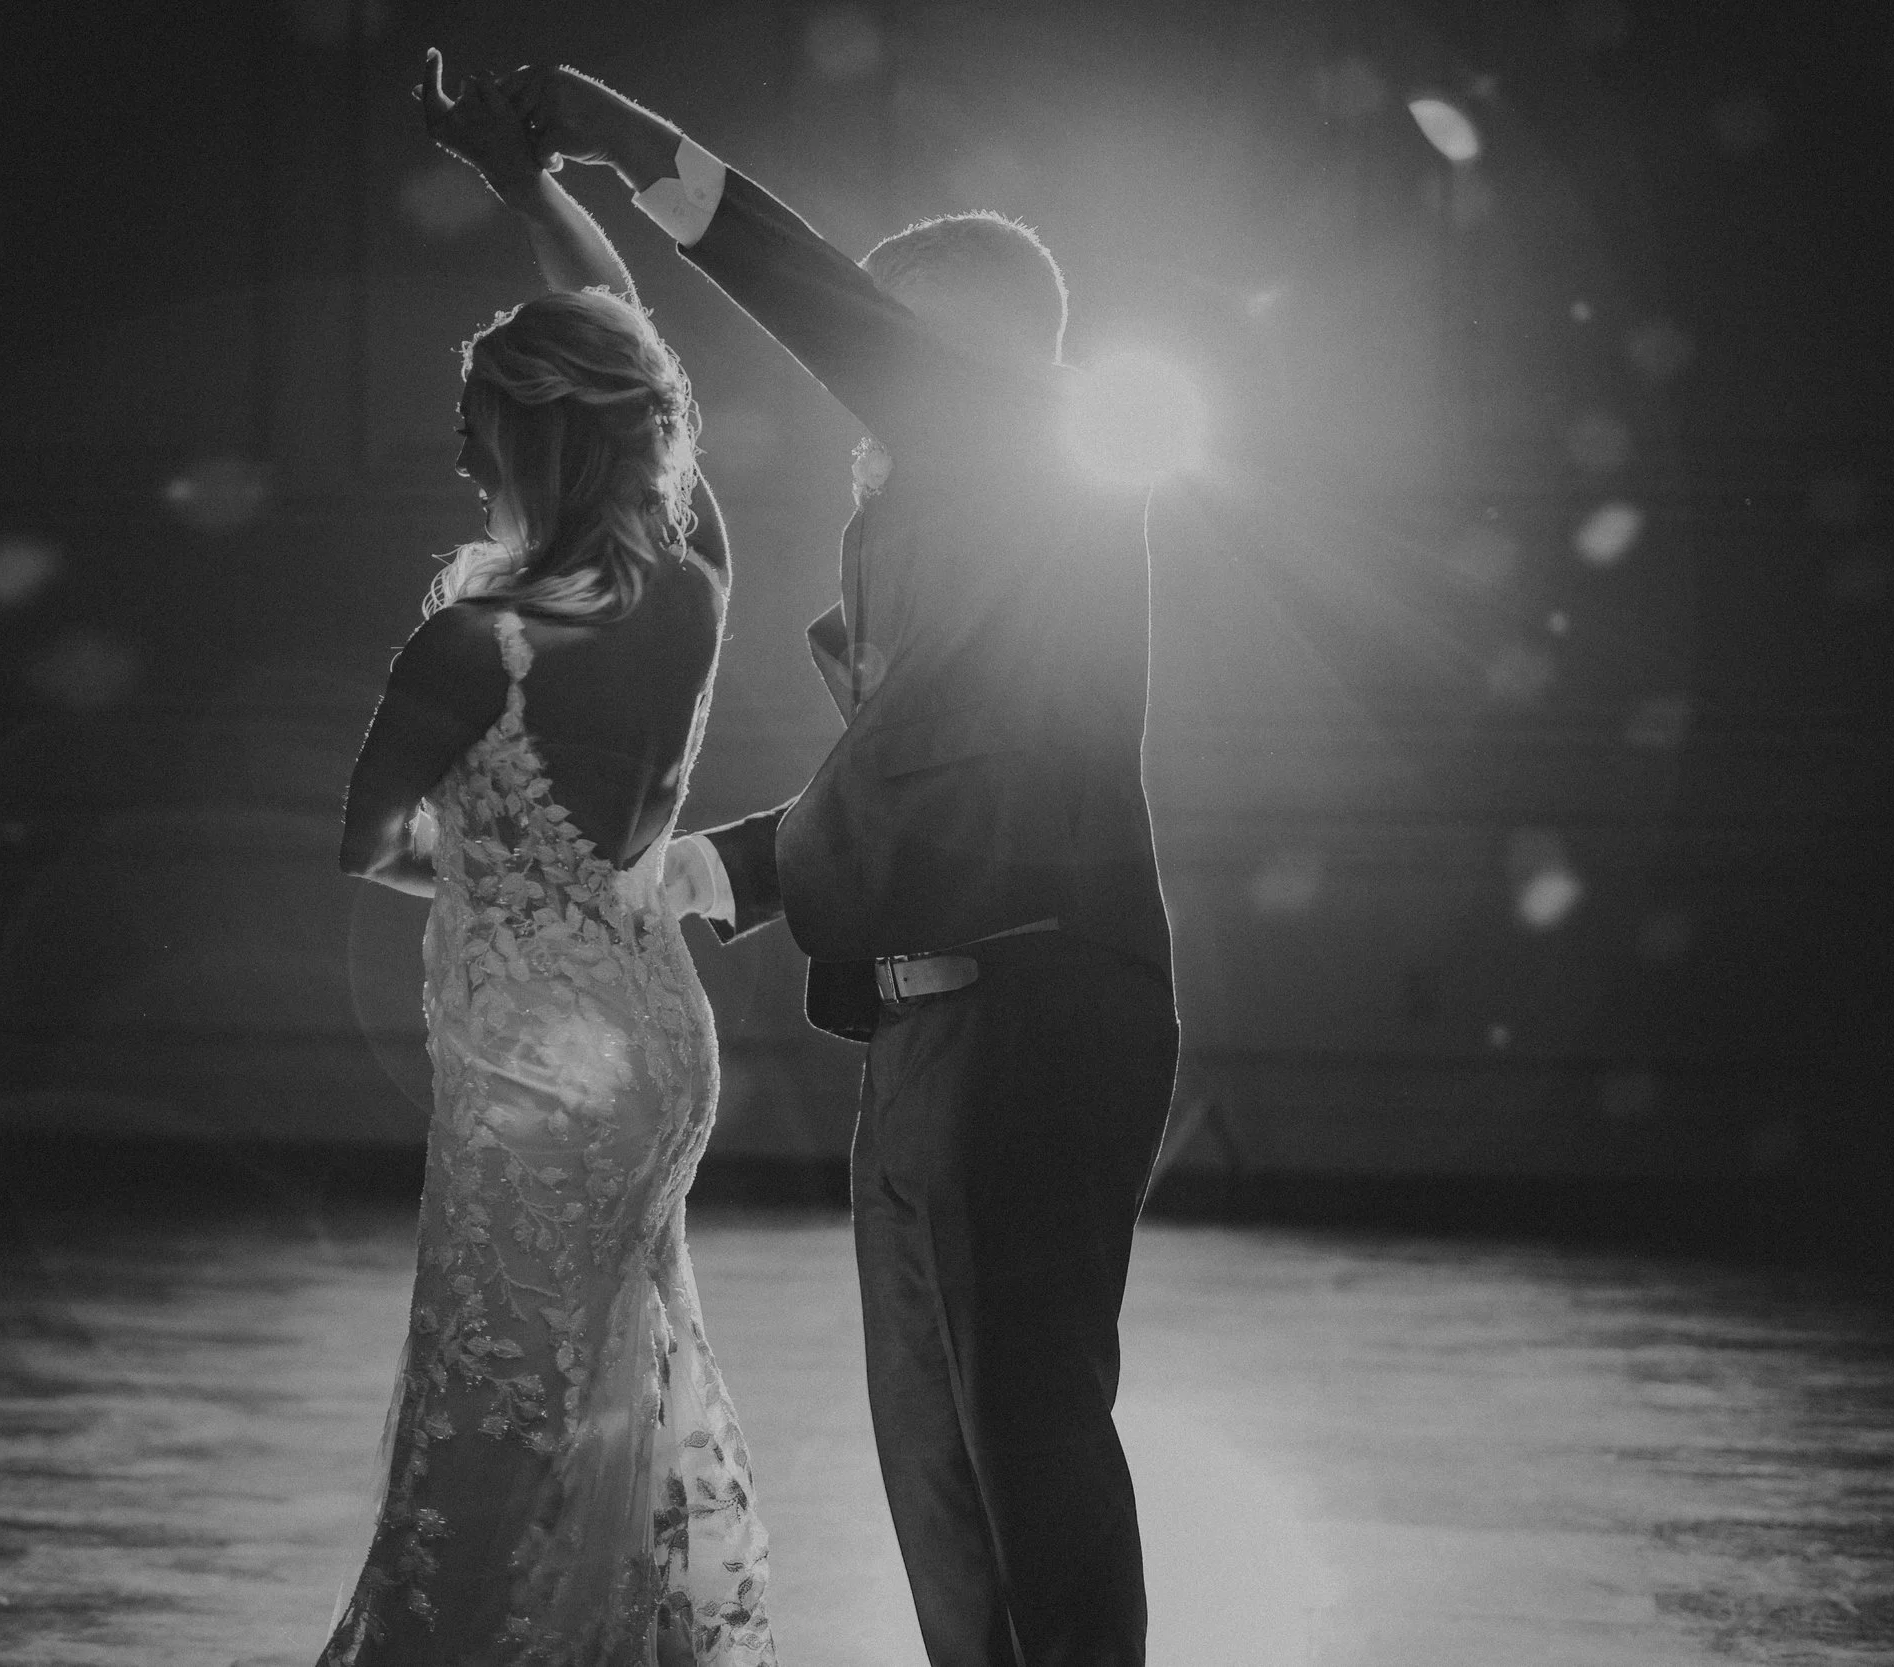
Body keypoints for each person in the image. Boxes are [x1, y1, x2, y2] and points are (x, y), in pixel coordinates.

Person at [509, 64, 1182, 1667]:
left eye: (894, 333)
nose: (860, 367)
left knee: (1029, 1451)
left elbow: (805, 292)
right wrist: (723, 870)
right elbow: (914, 773)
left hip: (1030, 1021)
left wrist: (627, 139)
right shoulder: (953, 531)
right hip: (927, 1031)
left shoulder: (1031, 446)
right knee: (937, 1475)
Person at [324, 56, 774, 1667]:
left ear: (535, 441)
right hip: (656, 1038)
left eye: (477, 431)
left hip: (532, 1063)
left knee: (495, 1396)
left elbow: (366, 838)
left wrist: (498, 877)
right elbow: (632, 348)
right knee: (607, 1377)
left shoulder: (470, 644)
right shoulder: (697, 583)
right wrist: (530, 190)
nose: (462, 462)